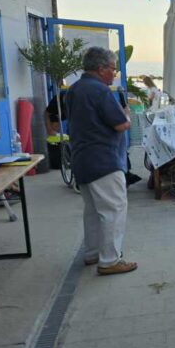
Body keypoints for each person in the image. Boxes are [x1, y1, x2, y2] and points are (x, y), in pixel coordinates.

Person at [66, 47, 136, 275]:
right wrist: (127, 114)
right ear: (101, 68)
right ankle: (110, 260)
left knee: (93, 210)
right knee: (114, 209)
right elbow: (121, 125)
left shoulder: (74, 89)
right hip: (103, 159)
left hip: (82, 157)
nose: (114, 74)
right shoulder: (100, 91)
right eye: (113, 69)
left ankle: (93, 252)